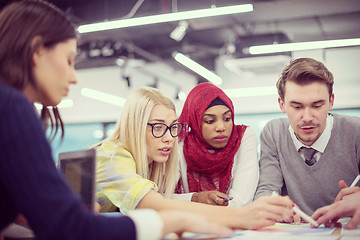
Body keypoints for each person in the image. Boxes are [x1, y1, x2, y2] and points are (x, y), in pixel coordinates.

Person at [0, 1, 234, 239]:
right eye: (69, 61)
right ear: (38, 50)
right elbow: (69, 228)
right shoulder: (12, 107)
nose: (73, 77)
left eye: (172, 128)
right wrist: (180, 220)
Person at [94, 86, 295, 230]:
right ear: (135, 126)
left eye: (173, 127)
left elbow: (159, 201)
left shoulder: (150, 164)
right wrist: (240, 216)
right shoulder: (111, 156)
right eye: (157, 127)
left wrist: (196, 199)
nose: (169, 138)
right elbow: (155, 205)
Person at [254, 58, 360, 219]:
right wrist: (272, 207)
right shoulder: (273, 132)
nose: (307, 117)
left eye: (317, 106)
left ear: (331, 101)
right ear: (281, 104)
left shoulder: (356, 131)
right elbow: (267, 189)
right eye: (297, 107)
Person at [173, 82, 259, 208]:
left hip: (235, 222)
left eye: (227, 119)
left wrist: (192, 203)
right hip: (191, 224)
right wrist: (196, 198)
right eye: (210, 121)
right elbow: (161, 197)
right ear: (195, 121)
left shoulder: (242, 137)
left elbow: (241, 201)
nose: (221, 127)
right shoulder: (181, 146)